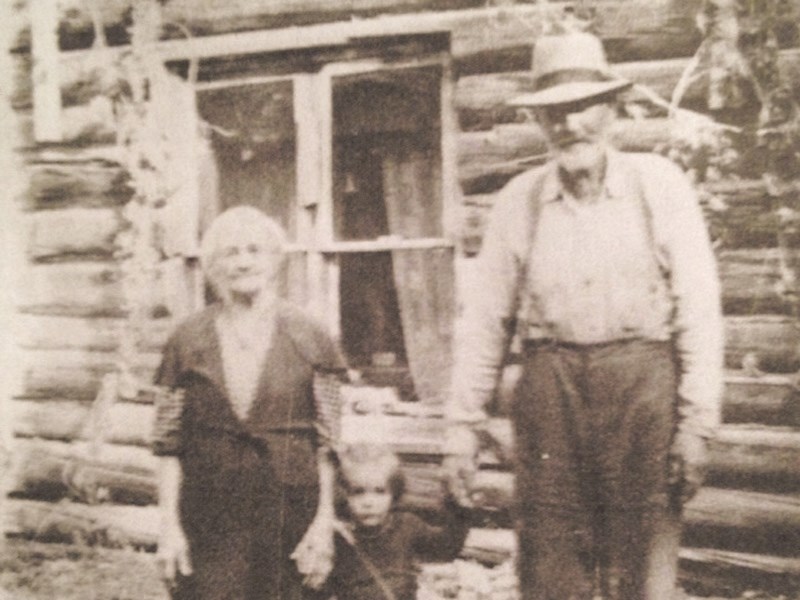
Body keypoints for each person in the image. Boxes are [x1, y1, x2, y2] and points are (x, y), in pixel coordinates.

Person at [444, 31, 724, 600]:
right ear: (541, 123)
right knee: (550, 556)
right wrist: (462, 429)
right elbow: (485, 323)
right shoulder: (519, 201)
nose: (570, 125)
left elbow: (700, 310)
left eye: (582, 107)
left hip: (643, 388)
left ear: (612, 109)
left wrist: (697, 425)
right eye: (554, 113)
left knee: (641, 557)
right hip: (551, 394)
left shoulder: (658, 186)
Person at [151, 205, 345, 600]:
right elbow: (167, 444)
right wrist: (169, 527)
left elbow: (330, 443)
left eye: (254, 250)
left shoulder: (310, 335)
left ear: (275, 260)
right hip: (208, 513)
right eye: (230, 252)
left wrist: (323, 524)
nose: (243, 262)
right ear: (213, 265)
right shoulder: (186, 339)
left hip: (292, 510)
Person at [324, 443, 469, 600]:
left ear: (394, 494)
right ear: (344, 495)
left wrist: (459, 508)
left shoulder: (406, 525)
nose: (368, 502)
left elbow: (445, 549)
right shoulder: (339, 537)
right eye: (358, 492)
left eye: (380, 492)